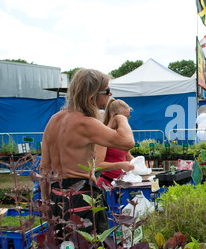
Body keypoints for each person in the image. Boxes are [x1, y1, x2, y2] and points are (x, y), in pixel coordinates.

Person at [39, 69, 135, 238]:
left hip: (57, 196)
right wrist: (120, 117)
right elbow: (127, 141)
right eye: (106, 91)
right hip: (81, 198)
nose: (110, 94)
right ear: (92, 95)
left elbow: (44, 169)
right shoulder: (86, 123)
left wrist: (46, 202)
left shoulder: (53, 120)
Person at [96, 98, 135, 189]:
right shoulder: (103, 134)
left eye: (127, 117)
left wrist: (139, 164)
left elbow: (128, 157)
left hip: (120, 184)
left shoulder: (121, 135)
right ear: (113, 115)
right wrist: (121, 165)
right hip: (106, 185)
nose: (125, 120)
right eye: (123, 117)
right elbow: (98, 165)